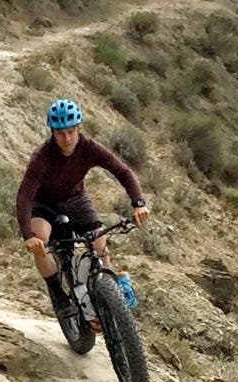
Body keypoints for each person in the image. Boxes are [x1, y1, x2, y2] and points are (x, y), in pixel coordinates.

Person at [17, 98, 150, 324]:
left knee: (99, 243)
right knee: (41, 240)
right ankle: (58, 294)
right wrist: (28, 236)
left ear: (79, 128)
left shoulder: (89, 148)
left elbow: (124, 172)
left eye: (71, 131)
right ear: (52, 132)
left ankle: (108, 290)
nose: (67, 138)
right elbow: (24, 196)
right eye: (60, 133)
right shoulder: (43, 156)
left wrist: (138, 203)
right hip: (44, 203)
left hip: (75, 199)